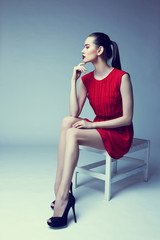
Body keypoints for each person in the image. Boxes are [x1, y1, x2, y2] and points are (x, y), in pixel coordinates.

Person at [47, 32, 134, 228]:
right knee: (67, 121)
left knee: (73, 132)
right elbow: (74, 112)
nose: (82, 50)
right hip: (99, 128)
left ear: (100, 50)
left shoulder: (122, 77)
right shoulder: (86, 80)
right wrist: (73, 81)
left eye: (86, 46)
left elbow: (127, 119)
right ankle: (60, 188)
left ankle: (62, 196)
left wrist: (92, 125)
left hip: (118, 133)